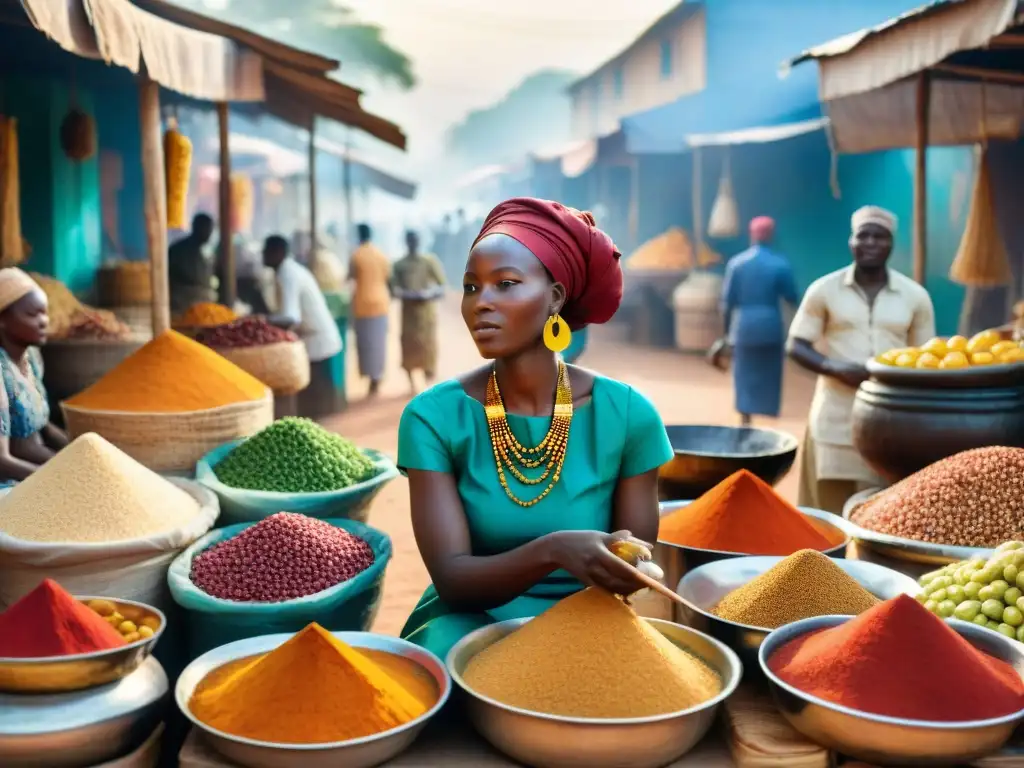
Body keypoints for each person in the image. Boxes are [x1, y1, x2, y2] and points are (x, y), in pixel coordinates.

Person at [396, 198, 674, 661]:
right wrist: (554, 551)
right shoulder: (434, 417)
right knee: (449, 664)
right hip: (472, 623)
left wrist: (628, 565)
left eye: (505, 284)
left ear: (556, 297)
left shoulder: (627, 415)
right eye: (470, 286)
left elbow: (634, 569)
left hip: (591, 620)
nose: (480, 303)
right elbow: (453, 579)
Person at [787, 206, 936, 514]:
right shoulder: (824, 290)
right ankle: (825, 564)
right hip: (834, 418)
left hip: (889, 422)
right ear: (851, 242)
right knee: (827, 516)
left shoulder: (915, 296)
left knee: (883, 512)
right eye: (863, 235)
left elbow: (926, 359)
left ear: (891, 244)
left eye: (879, 236)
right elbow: (796, 344)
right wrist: (833, 367)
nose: (870, 243)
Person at [714, 216, 799, 426]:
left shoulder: (737, 264)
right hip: (770, 325)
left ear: (752, 235)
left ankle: (745, 414)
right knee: (770, 370)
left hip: (744, 326)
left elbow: (726, 303)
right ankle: (769, 410)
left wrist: (726, 334)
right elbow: (791, 296)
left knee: (743, 372)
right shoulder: (781, 264)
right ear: (771, 235)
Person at [263, 235, 344, 419]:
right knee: (311, 411)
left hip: (317, 344)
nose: (263, 256)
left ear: (278, 253)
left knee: (312, 412)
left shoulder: (287, 274)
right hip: (314, 342)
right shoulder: (287, 271)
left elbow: (291, 318)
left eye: (266, 251)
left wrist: (263, 322)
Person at [0, 269, 68, 484]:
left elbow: (42, 427)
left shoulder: (32, 359)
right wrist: (58, 479)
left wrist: (82, 450)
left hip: (33, 468)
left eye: (44, 312)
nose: (44, 321)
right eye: (32, 314)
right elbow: (3, 460)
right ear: (2, 320)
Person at [391, 230, 446, 393]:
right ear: (406, 242)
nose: (413, 243)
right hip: (408, 315)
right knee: (408, 346)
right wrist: (405, 294)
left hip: (426, 314)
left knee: (428, 346)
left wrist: (428, 294)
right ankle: (412, 384)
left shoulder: (429, 262)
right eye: (410, 240)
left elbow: (442, 286)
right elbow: (393, 290)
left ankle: (428, 382)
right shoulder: (399, 265)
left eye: (415, 240)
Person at [349, 224, 392, 397]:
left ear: (359, 235)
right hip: (381, 303)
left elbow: (351, 277)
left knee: (366, 344)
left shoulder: (356, 255)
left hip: (362, 304)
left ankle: (370, 377)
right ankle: (377, 376)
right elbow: (388, 278)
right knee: (379, 343)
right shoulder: (381, 254)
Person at [169, 213, 216, 315]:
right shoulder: (179, 249)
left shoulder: (205, 251)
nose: (208, 232)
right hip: (182, 302)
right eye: (206, 228)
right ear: (195, 227)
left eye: (210, 229)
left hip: (202, 302)